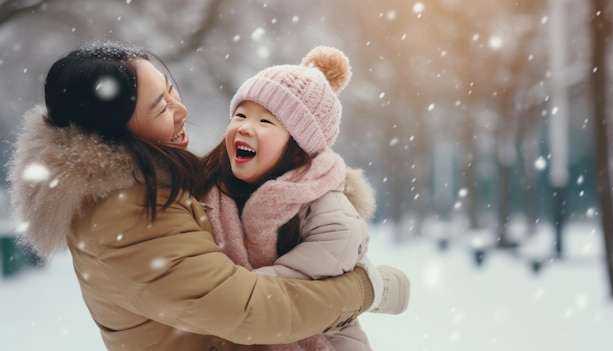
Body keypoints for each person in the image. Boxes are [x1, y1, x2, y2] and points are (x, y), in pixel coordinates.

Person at [7, 41, 410, 351]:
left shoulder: (158, 186)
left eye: (171, 91)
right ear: (116, 134)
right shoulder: (126, 214)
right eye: (160, 107)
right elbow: (252, 310)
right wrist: (365, 290)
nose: (181, 110)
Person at [201, 46, 406, 351]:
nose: (244, 127)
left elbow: (271, 299)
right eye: (241, 115)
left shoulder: (332, 216)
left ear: (298, 149)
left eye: (265, 122)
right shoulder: (210, 190)